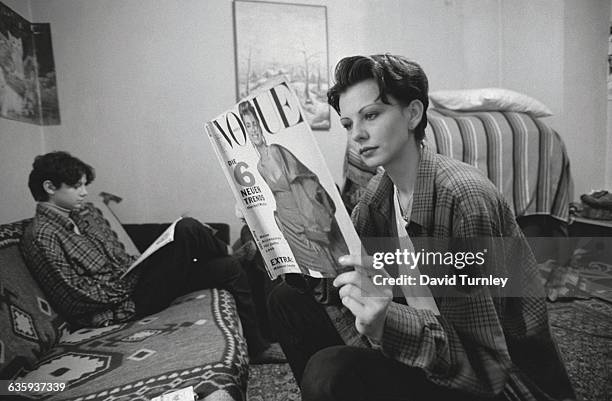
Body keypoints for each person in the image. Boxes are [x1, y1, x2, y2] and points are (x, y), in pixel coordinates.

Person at [267, 54, 575, 400]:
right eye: (348, 124)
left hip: (491, 376)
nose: (358, 136)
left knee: (330, 370)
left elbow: (484, 364)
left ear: (413, 114)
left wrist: (390, 323)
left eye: (371, 115)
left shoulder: (464, 198)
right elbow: (344, 280)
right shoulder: (377, 197)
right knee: (287, 299)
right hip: (427, 346)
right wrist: (285, 239)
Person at [20, 151, 285, 364]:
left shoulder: (85, 214)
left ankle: (259, 346)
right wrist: (130, 281)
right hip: (124, 305)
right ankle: (236, 253)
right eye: (76, 186)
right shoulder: (41, 236)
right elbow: (75, 298)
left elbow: (119, 255)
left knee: (227, 268)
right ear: (49, 187)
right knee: (187, 228)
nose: (84, 192)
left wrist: (142, 265)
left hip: (137, 282)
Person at [238, 100, 349, 277]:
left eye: (255, 123)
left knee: (333, 266)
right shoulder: (259, 167)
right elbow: (275, 196)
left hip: (305, 217)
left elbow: (305, 180)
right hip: (287, 223)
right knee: (307, 276)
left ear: (260, 125)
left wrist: (311, 219)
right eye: (248, 126)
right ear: (246, 132)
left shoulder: (276, 150)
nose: (254, 129)